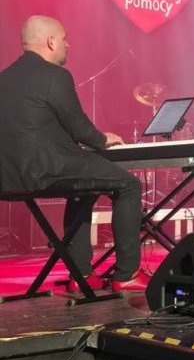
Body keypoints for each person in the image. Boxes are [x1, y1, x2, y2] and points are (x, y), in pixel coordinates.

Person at [0, 16, 147, 292]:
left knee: (83, 189)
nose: (68, 44)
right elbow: (78, 127)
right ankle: (127, 274)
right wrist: (102, 139)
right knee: (129, 185)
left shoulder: (4, 78)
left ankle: (81, 276)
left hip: (8, 178)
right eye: (64, 38)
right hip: (47, 170)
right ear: (50, 42)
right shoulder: (55, 76)